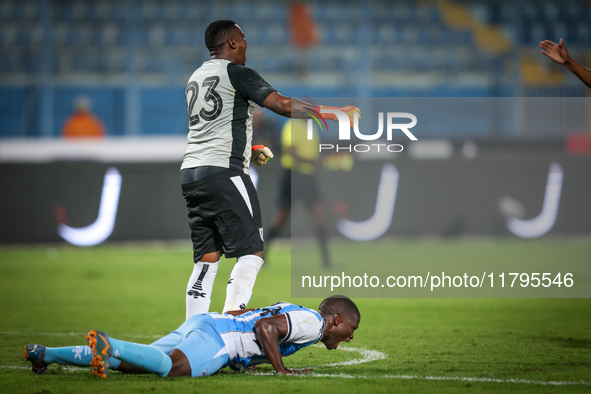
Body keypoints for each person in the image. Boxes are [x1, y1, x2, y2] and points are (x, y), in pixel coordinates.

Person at [181, 19, 359, 319]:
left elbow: (210, 132)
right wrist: (330, 112)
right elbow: (282, 104)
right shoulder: (237, 74)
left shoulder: (195, 78)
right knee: (252, 252)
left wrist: (247, 151)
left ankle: (190, 329)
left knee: (206, 259)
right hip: (224, 172)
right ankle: (232, 322)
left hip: (191, 173)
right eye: (243, 37)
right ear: (233, 42)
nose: (247, 43)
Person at [23, 296, 360, 378]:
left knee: (131, 366)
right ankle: (109, 343)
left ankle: (45, 354)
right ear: (338, 320)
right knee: (174, 368)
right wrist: (281, 370)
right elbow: (264, 329)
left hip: (206, 323)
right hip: (219, 338)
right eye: (351, 331)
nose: (349, 338)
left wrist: (247, 361)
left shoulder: (296, 310)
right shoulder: (314, 324)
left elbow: (246, 316)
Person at [265, 118, 332, 267]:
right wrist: (312, 161)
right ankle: (261, 257)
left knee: (320, 215)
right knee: (281, 219)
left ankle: (327, 261)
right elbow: (290, 151)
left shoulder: (311, 128)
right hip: (292, 175)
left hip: (308, 177)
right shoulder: (292, 125)